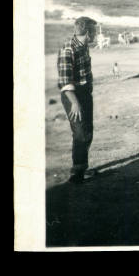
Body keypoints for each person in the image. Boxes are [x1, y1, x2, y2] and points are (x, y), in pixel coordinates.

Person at [57, 16, 97, 184]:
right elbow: (65, 82)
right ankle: (76, 174)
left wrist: (87, 92)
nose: (95, 34)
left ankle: (82, 168)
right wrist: (75, 102)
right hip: (72, 96)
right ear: (87, 32)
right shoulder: (68, 49)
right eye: (94, 31)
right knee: (80, 133)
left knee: (87, 131)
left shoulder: (84, 46)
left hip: (84, 94)